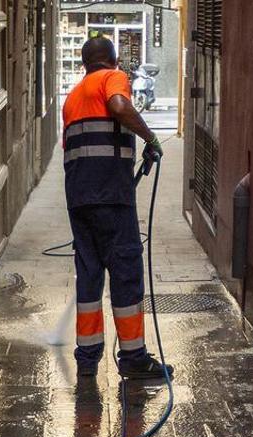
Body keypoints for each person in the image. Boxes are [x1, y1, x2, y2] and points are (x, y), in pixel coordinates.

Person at [61, 36, 169, 379]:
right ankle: (134, 357)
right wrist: (150, 139)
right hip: (112, 196)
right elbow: (120, 107)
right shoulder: (112, 78)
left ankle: (88, 358)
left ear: (84, 64)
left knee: (89, 274)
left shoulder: (73, 97)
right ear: (113, 60)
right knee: (125, 271)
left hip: (79, 199)